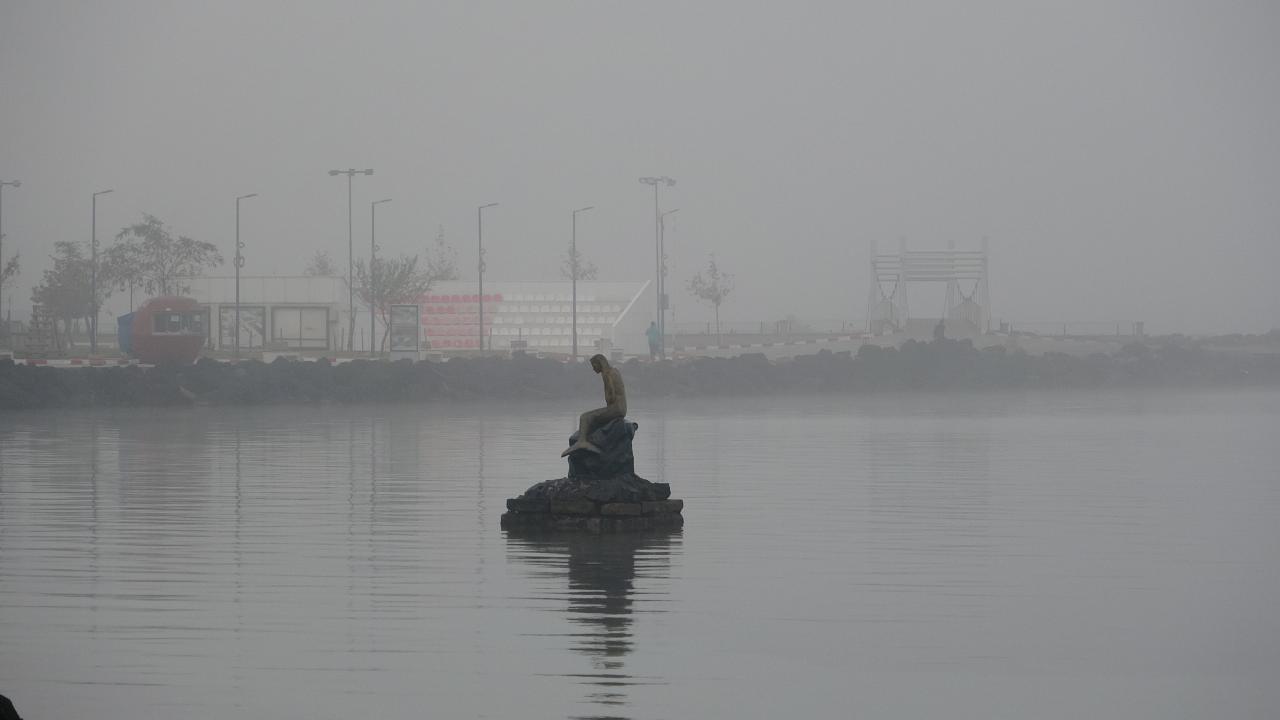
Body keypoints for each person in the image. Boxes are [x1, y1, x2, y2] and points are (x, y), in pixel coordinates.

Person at [562, 354, 628, 456]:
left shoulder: (608, 374)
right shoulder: (613, 371)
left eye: (594, 365)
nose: (593, 369)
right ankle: (584, 440)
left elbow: (611, 396)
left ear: (600, 363)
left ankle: (582, 442)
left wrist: (607, 410)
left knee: (585, 417)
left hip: (617, 408)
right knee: (593, 419)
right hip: (621, 408)